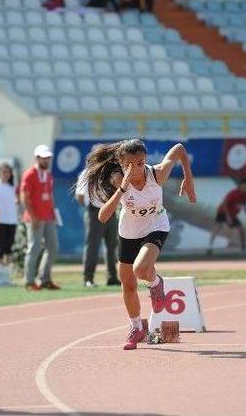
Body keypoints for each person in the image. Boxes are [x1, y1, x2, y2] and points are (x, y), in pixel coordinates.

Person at [83, 139, 196, 350]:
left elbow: (179, 149)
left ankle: (156, 283)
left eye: (141, 162)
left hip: (156, 226)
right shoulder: (117, 179)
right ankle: (136, 327)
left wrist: (188, 178)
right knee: (127, 283)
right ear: (121, 163)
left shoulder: (157, 174)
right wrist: (122, 189)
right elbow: (102, 216)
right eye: (131, 165)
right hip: (129, 232)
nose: (137, 168)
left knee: (141, 269)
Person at [20, 144, 60, 290]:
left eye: (48, 158)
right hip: (34, 218)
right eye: (44, 158)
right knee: (34, 248)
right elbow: (24, 198)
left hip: (48, 216)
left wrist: (54, 214)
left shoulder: (49, 176)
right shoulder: (29, 174)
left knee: (53, 248)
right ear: (37, 158)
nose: (47, 160)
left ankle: (45, 279)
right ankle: (29, 281)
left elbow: (50, 196)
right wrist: (33, 217)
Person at [75, 168, 121, 288]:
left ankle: (112, 277)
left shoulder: (111, 172)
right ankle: (88, 278)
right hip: (94, 212)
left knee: (112, 245)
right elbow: (79, 195)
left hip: (110, 212)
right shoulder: (87, 173)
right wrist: (89, 207)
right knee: (92, 246)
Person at [208, 178, 246, 254]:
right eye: (244, 186)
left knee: (242, 229)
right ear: (240, 186)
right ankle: (210, 248)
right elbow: (225, 204)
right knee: (217, 228)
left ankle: (243, 249)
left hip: (232, 215)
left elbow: (245, 207)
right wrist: (228, 217)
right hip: (222, 212)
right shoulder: (233, 193)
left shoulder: (244, 196)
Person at [0, 163, 19, 265]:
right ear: (0, 173)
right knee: (1, 245)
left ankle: (7, 269)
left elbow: (17, 200)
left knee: (9, 245)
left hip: (12, 219)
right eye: (4, 172)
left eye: (8, 172)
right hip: (0, 219)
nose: (6, 174)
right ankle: (0, 266)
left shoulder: (13, 187)